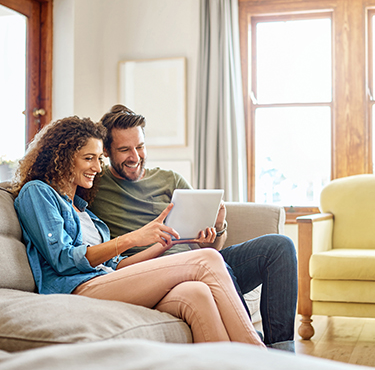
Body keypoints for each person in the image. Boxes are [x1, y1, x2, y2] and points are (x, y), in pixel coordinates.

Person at [11, 116, 265, 347]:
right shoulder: (38, 192)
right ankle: (258, 355)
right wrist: (132, 238)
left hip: (106, 281)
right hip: (77, 287)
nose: (97, 168)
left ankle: (229, 367)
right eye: (88, 158)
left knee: (196, 293)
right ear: (62, 156)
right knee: (207, 259)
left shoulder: (86, 213)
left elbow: (118, 266)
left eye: (99, 159)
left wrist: (160, 242)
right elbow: (64, 260)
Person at [89, 105, 298, 352]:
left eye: (140, 147)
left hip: (204, 262)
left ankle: (281, 351)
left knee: (279, 247)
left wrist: (217, 228)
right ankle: (250, 346)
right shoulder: (95, 186)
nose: (135, 156)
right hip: (155, 274)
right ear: (107, 151)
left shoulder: (170, 179)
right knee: (209, 262)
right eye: (124, 150)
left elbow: (211, 247)